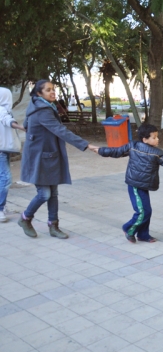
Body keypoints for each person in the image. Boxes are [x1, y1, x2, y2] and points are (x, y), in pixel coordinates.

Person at [17, 80, 99, 239]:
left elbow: (27, 125)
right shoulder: (43, 110)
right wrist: (86, 145)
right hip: (39, 158)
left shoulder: (39, 105)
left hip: (47, 155)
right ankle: (25, 218)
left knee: (53, 193)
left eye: (53, 89)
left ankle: (53, 226)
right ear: (39, 93)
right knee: (44, 194)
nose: (52, 92)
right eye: (48, 90)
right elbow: (60, 130)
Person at [97, 123, 163, 243]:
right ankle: (128, 228)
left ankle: (143, 235)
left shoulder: (156, 152)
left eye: (157, 137)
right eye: (154, 137)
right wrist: (100, 150)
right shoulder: (134, 146)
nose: (157, 139)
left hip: (144, 185)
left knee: (146, 210)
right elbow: (116, 152)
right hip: (135, 185)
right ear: (145, 139)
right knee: (143, 211)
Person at [0, 87, 26, 223]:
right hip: (1, 151)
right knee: (5, 179)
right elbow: (6, 120)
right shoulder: (2, 110)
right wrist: (21, 127)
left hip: (3, 149)